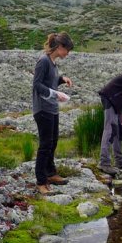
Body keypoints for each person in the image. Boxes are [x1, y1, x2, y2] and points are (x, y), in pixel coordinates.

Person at [32, 32, 74, 194]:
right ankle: (41, 181)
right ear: (60, 47)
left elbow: (50, 82)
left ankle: (50, 173)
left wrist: (62, 79)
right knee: (45, 145)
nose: (67, 54)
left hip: (52, 108)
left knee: (53, 142)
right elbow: (37, 85)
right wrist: (55, 94)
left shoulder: (53, 63)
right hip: (42, 109)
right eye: (67, 50)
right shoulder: (43, 61)